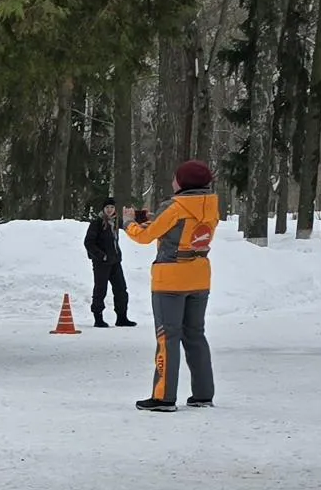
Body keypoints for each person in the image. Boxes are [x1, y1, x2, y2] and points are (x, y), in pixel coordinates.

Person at [124, 160, 220, 412]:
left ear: (183, 183)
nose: (172, 182)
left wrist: (129, 224)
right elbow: (182, 231)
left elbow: (145, 237)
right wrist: (154, 221)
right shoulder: (211, 206)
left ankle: (164, 396)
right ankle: (203, 393)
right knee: (195, 335)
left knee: (168, 337)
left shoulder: (175, 207)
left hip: (170, 278)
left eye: (176, 178)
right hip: (199, 275)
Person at [83, 198, 135, 328]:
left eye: (111, 208)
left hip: (115, 261)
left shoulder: (116, 221)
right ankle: (98, 318)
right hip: (102, 262)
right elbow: (88, 243)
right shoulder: (97, 223)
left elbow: (131, 226)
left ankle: (122, 317)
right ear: (103, 209)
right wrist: (102, 256)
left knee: (121, 289)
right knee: (100, 290)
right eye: (107, 208)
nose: (109, 210)